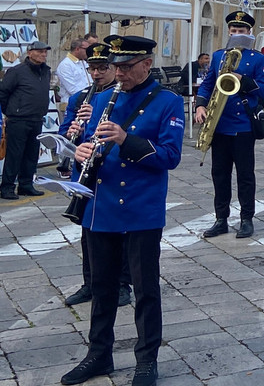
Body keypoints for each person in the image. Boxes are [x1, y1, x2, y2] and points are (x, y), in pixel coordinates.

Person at [61, 34, 184, 386]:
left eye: (127, 67)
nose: (119, 74)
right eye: (116, 67)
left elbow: (170, 157)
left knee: (145, 290)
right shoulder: (100, 99)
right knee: (102, 288)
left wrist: (124, 140)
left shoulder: (167, 102)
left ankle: (147, 359)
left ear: (147, 64)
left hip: (141, 208)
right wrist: (80, 151)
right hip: (101, 207)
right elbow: (88, 143)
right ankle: (98, 355)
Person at [59, 43, 132, 308]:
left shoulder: (123, 95)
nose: (97, 73)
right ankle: (90, 283)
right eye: (93, 68)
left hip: (114, 170)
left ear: (114, 69)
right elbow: (66, 132)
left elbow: (129, 130)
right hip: (86, 171)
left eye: (104, 68)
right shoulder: (81, 97)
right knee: (87, 228)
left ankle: (123, 284)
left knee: (119, 229)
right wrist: (75, 134)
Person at [195, 10, 264, 239]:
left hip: (243, 125)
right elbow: (208, 84)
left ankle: (247, 219)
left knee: (245, 175)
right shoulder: (218, 56)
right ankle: (221, 219)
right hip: (219, 123)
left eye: (241, 31)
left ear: (249, 33)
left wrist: (242, 80)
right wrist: (200, 105)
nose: (237, 34)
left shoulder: (258, 58)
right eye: (233, 30)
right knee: (219, 173)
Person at [0, 40, 52, 199]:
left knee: (31, 154)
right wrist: (10, 111)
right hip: (18, 119)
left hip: (37, 118)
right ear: (29, 53)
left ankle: (26, 185)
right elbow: (3, 92)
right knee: (14, 155)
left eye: (45, 52)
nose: (43, 54)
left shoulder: (46, 71)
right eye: (39, 51)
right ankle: (7, 187)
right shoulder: (17, 71)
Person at [56, 38, 91, 111]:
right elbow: (72, 89)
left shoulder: (84, 62)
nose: (88, 52)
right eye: (86, 49)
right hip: (70, 105)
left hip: (86, 103)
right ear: (77, 49)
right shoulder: (65, 65)